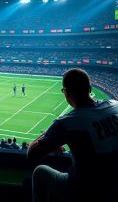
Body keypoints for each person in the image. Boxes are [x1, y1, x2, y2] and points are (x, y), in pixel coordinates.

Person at [27, 68, 118, 202]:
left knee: (39, 172)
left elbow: (32, 154)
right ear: (90, 88)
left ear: (66, 92)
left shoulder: (67, 122)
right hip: (114, 184)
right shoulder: (115, 105)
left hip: (86, 189)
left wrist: (49, 134)